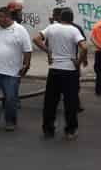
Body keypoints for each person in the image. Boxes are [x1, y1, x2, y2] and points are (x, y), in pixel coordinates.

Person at [33, 8, 87, 140]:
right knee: (70, 102)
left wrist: (48, 51)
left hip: (54, 69)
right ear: (72, 19)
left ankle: (48, 129)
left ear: (60, 17)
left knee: (50, 101)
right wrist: (78, 62)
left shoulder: (51, 28)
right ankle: (70, 130)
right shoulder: (74, 30)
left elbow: (36, 39)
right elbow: (84, 47)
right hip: (69, 70)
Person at [0, 7, 32, 132]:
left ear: (10, 17)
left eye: (3, 17)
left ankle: (10, 121)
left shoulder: (20, 30)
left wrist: (26, 65)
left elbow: (27, 50)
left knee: (10, 99)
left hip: (12, 72)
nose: (0, 19)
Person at [60, 7, 88, 113]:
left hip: (58, 62)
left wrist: (50, 56)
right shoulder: (77, 28)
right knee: (74, 84)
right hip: (73, 61)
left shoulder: (54, 28)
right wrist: (82, 60)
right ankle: (75, 104)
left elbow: (46, 43)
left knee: (59, 83)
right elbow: (83, 46)